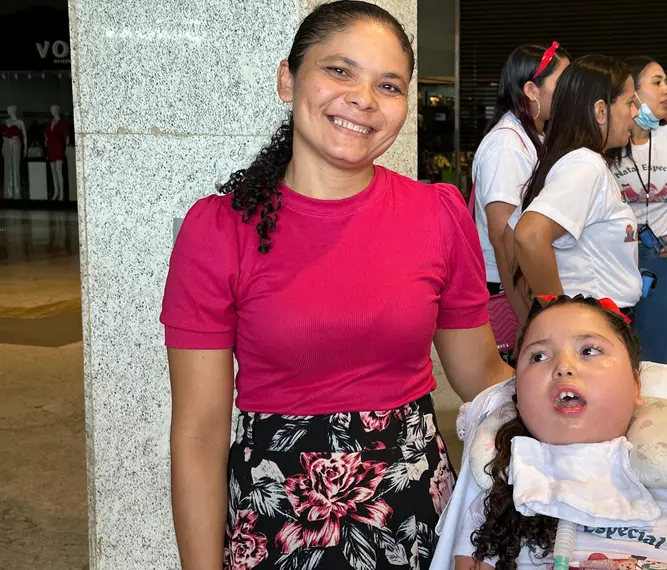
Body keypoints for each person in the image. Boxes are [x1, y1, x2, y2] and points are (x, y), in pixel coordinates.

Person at [160, 2, 513, 569]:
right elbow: (199, 435)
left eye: (389, 85)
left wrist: (587, 391)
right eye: (340, 71)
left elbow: (482, 378)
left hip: (416, 514)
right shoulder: (218, 229)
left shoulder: (437, 212)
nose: (364, 99)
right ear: (287, 78)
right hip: (273, 521)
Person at [452, 295, 667, 570]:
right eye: (539, 356)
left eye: (589, 350)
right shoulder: (492, 510)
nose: (563, 366)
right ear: (519, 398)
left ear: (637, 385)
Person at [507, 55, 642, 320]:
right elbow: (529, 236)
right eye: (629, 102)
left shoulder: (568, 160)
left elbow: (509, 236)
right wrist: (560, 318)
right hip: (593, 322)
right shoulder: (585, 166)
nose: (635, 112)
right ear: (601, 111)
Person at [471, 43, 571, 348]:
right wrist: (528, 316)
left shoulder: (533, 138)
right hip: (510, 294)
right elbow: (504, 238)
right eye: (562, 83)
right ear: (531, 89)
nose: (570, 92)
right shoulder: (507, 146)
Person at [608, 57, 667, 364]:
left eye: (666, 82)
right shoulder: (606, 143)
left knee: (655, 358)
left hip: (663, 259)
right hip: (614, 259)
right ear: (631, 92)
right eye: (657, 82)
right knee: (612, 354)